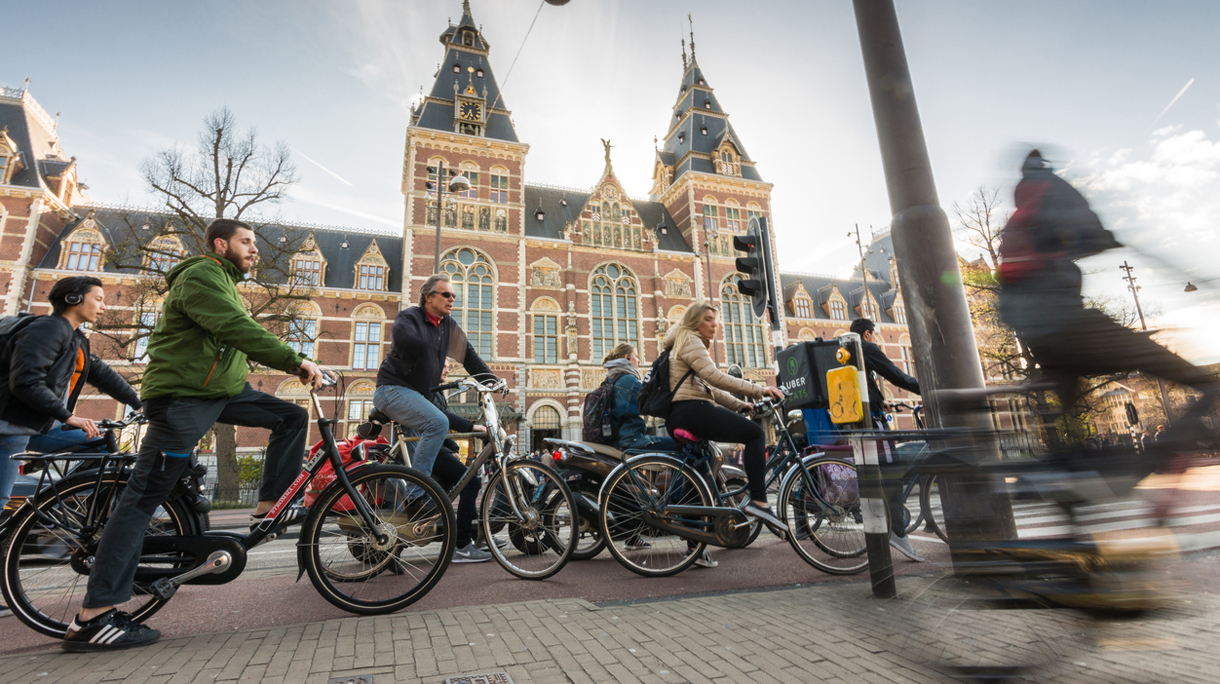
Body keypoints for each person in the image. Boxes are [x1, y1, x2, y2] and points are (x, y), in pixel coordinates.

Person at [65, 219, 324, 652]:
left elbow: (228, 340)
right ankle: (94, 617)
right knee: (142, 500)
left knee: (290, 418)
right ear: (221, 244)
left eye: (255, 244)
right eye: (246, 242)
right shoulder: (201, 275)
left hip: (218, 392)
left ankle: (268, 508)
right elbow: (235, 329)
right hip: (186, 397)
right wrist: (295, 361)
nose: (254, 250)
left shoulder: (221, 279)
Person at [998, 150, 1219, 448]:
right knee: (1188, 374)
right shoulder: (1050, 190)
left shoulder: (1019, 218)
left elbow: (1052, 248)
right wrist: (1101, 238)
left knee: (1066, 405)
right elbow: (1081, 227)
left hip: (1041, 341)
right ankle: (1181, 436)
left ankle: (1064, 473)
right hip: (1069, 327)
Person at [0, 276, 143, 619]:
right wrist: (69, 416)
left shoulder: (76, 339)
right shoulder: (49, 330)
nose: (104, 305)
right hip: (8, 428)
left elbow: (102, 374)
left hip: (35, 426)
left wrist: (139, 404)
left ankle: (65, 500)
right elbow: (25, 381)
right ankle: (51, 505)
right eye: (98, 298)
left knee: (101, 444)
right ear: (76, 298)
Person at [374, 273, 497, 563]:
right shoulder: (410, 318)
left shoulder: (448, 326)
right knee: (438, 422)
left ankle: (458, 532)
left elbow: (469, 356)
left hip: (414, 396)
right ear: (428, 297)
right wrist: (435, 343)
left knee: (444, 437)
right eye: (445, 294)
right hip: (392, 390)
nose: (451, 299)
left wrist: (492, 381)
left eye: (453, 295)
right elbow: (405, 339)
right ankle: (417, 495)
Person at [662, 303, 786, 551]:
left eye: (715, 320)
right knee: (755, 434)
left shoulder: (684, 342)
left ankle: (693, 545)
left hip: (681, 413)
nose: (714, 324)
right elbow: (714, 376)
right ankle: (759, 502)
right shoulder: (691, 340)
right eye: (708, 319)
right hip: (691, 410)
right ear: (695, 321)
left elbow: (710, 389)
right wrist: (758, 389)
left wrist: (742, 406)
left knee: (698, 477)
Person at [849, 317, 924, 562]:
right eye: (875, 335)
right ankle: (897, 532)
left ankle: (881, 528)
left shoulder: (845, 349)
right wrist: (925, 388)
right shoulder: (866, 347)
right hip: (872, 423)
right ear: (868, 334)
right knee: (891, 471)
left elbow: (861, 385)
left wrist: (881, 399)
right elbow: (896, 375)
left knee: (875, 473)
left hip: (855, 422)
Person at [601, 343, 676, 453]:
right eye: (636, 356)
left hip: (617, 441)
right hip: (631, 440)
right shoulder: (629, 381)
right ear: (627, 357)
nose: (639, 361)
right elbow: (652, 403)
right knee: (680, 446)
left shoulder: (609, 380)